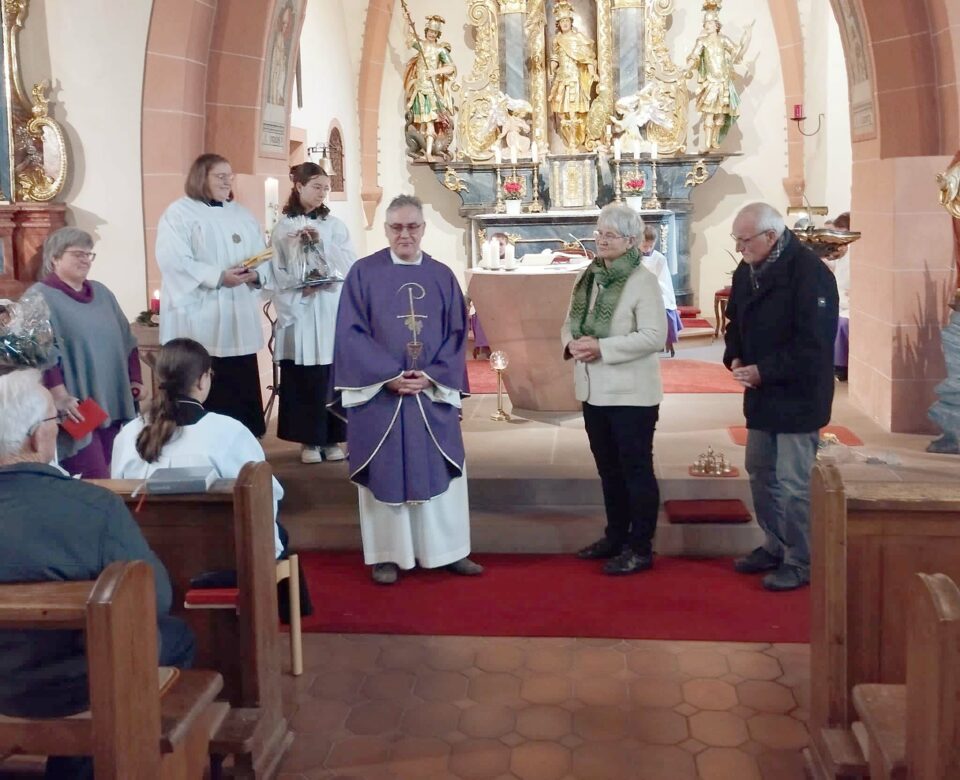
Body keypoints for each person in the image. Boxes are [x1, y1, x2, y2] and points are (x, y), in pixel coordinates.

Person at [0, 369, 194, 779]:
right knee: (175, 635)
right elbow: (155, 598)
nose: (58, 428)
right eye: (54, 420)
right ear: (37, 437)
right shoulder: (94, 507)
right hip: (73, 688)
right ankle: (86, 762)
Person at [333, 194, 482, 585]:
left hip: (430, 392)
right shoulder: (363, 274)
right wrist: (387, 375)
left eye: (412, 226)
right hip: (381, 394)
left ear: (423, 229)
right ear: (385, 229)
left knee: (440, 467)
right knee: (385, 470)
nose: (405, 234)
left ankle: (448, 551)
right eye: (397, 227)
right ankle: (387, 555)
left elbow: (457, 334)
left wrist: (431, 375)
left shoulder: (442, 276)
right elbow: (350, 333)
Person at [724, 203, 838, 592]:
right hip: (762, 395)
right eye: (736, 239)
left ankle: (801, 560)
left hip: (798, 395)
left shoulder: (810, 273)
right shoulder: (746, 270)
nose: (740, 248)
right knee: (760, 472)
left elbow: (814, 344)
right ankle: (774, 545)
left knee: (793, 483)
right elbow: (735, 322)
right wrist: (736, 356)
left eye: (745, 240)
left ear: (771, 236)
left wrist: (765, 370)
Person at [561, 203, 667, 575]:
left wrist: (602, 348)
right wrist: (571, 344)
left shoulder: (642, 281)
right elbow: (569, 322)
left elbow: (654, 336)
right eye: (599, 233)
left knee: (635, 471)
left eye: (610, 235)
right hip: (594, 390)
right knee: (609, 470)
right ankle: (616, 537)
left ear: (632, 241)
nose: (602, 240)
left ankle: (640, 547)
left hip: (631, 395)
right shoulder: (587, 276)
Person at [111, 339, 285, 559]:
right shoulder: (228, 431)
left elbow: (118, 496)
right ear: (202, 380)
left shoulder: (128, 434)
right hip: (221, 557)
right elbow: (266, 493)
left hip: (146, 556)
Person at [156, 153, 267, 438]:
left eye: (229, 176)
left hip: (236, 314)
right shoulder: (179, 213)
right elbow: (173, 261)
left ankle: (243, 442)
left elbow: (263, 254)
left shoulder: (241, 214)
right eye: (220, 176)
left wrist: (256, 274)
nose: (227, 182)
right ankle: (201, 440)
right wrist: (218, 277)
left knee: (238, 378)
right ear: (200, 177)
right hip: (201, 315)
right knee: (205, 374)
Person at [30, 227, 142, 478]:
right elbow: (41, 352)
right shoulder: (39, 297)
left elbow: (127, 339)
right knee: (93, 476)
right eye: (77, 254)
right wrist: (60, 396)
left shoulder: (102, 293)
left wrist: (135, 379)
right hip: (76, 407)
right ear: (55, 258)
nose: (85, 260)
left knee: (117, 473)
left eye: (89, 254)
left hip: (113, 399)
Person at [267, 163, 355, 464]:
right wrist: (298, 288)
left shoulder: (334, 226)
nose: (322, 193)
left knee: (330, 373)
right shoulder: (283, 228)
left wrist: (323, 250)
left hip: (329, 305)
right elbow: (276, 269)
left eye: (326, 188)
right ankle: (309, 440)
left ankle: (332, 438)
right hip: (302, 309)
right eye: (317, 187)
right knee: (305, 375)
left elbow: (349, 263)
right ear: (299, 186)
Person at [684, 11, 752, 152]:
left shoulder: (723, 40)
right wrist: (686, 69)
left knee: (721, 114)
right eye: (705, 23)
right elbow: (694, 56)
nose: (707, 25)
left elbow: (737, 52)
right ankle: (707, 142)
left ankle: (714, 140)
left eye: (710, 23)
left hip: (723, 81)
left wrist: (748, 35)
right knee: (709, 113)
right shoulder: (702, 41)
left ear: (716, 25)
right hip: (711, 81)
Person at [403, 15, 456, 163]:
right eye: (430, 31)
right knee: (423, 123)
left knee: (430, 122)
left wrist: (435, 72)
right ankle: (425, 151)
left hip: (432, 91)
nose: (432, 34)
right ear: (426, 31)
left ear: (438, 34)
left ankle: (428, 153)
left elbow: (451, 68)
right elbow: (408, 38)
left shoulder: (440, 50)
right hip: (419, 90)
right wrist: (407, 22)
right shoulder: (421, 45)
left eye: (435, 32)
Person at [548, 1, 598, 151]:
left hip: (575, 79)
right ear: (558, 24)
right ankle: (567, 138)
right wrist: (551, 70)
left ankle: (576, 140)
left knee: (575, 110)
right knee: (561, 111)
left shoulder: (578, 38)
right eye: (561, 21)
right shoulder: (557, 40)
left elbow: (588, 57)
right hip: (561, 78)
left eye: (567, 20)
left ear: (571, 22)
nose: (564, 23)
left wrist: (593, 73)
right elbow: (555, 57)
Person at [639, 225, 683, 357]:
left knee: (665, 308)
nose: (647, 249)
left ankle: (661, 342)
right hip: (636, 292)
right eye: (644, 246)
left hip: (655, 291)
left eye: (650, 246)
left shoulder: (659, 259)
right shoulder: (631, 257)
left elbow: (664, 281)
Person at [831, 212, 852, 382]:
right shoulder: (839, 254)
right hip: (839, 301)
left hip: (851, 304)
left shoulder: (856, 255)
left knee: (841, 323)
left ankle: (840, 367)